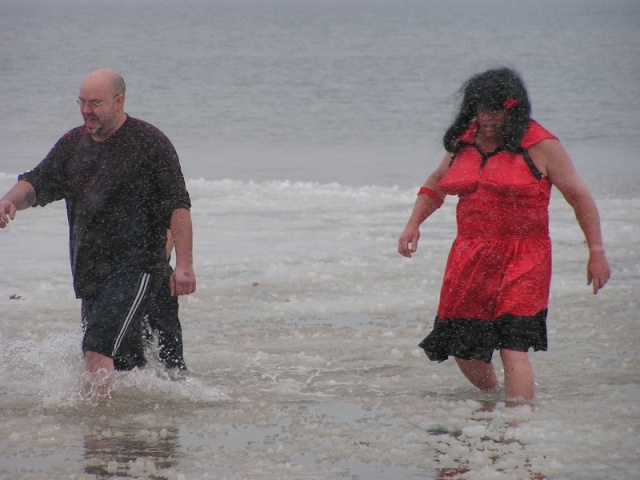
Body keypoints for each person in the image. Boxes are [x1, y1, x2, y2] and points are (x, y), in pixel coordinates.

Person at [398, 67, 610, 402]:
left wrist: (596, 251)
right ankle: (496, 400)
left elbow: (579, 198)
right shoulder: (464, 142)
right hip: (470, 255)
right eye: (480, 109)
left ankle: (518, 430)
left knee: (513, 347)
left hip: (525, 256)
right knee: (464, 350)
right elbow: (435, 185)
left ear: (513, 108)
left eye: (494, 110)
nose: (485, 118)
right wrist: (413, 225)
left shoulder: (542, 145)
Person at [0, 68, 196, 395]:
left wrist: (185, 265)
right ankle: (144, 428)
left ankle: (98, 433)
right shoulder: (73, 144)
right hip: (91, 272)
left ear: (119, 102)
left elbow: (178, 205)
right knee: (127, 362)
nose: (86, 110)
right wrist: (10, 200)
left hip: (137, 268)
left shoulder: (150, 143)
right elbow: (37, 182)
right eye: (82, 102)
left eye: (95, 103)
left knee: (96, 347)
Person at [143, 229, 188, 372]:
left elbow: (173, 215)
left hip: (154, 268)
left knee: (171, 357)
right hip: (112, 272)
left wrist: (158, 261)